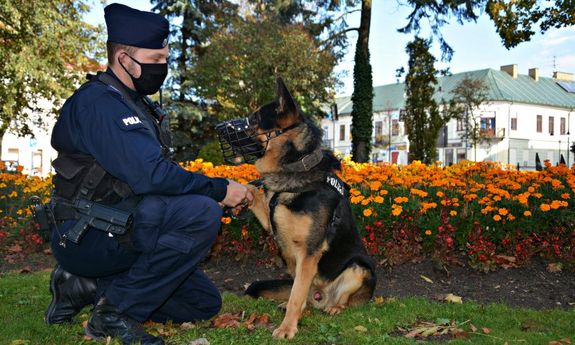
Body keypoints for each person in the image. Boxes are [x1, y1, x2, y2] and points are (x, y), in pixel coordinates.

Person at [44, 3, 252, 345]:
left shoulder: (135, 103)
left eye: (164, 60)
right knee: (202, 212)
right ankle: (113, 315)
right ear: (124, 58)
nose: (163, 68)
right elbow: (151, 176)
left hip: (124, 225)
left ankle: (87, 285)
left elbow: (155, 178)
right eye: (155, 60)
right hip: (89, 233)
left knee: (202, 303)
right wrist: (218, 189)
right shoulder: (100, 103)